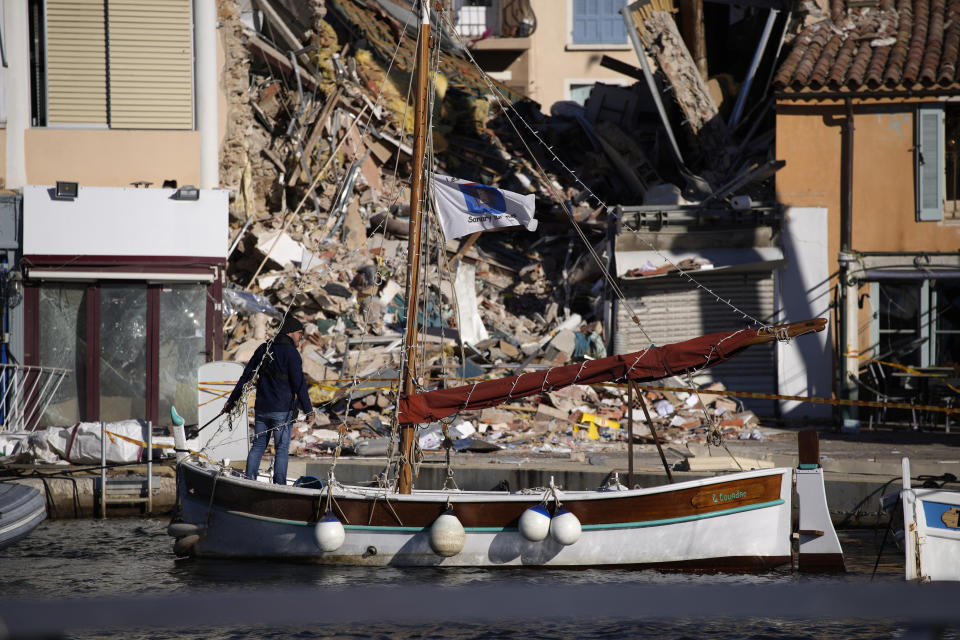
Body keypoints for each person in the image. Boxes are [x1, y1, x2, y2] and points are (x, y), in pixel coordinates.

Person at [223, 313, 314, 484]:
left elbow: (246, 377)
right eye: (299, 333)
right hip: (282, 411)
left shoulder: (263, 349)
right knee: (281, 449)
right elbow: (299, 385)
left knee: (258, 445)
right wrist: (308, 410)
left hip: (262, 410)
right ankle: (279, 485)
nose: (301, 337)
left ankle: (249, 481)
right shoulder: (292, 354)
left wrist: (232, 401)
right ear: (290, 332)